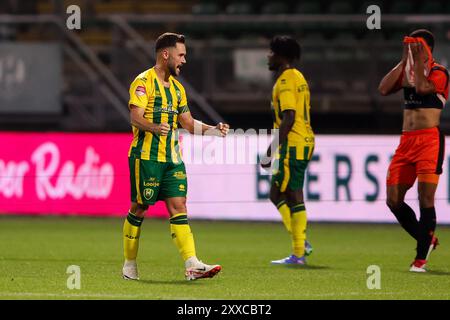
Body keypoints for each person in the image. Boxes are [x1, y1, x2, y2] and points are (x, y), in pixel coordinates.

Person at [122, 32, 230, 281]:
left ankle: (192, 264)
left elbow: (189, 124)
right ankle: (129, 264)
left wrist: (213, 129)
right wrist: (153, 127)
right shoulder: (143, 82)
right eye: (181, 55)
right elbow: (135, 116)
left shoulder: (178, 90)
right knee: (139, 208)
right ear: (165, 54)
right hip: (146, 158)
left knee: (179, 206)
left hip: (172, 159)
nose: (184, 60)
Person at [378, 29, 449, 272]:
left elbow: (421, 88)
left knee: (425, 198)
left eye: (415, 46)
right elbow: (384, 89)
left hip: (429, 141)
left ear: (427, 48)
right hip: (406, 141)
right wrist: (404, 58)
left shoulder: (440, 73)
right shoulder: (408, 71)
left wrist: (418, 61)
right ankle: (426, 237)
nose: (412, 50)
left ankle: (420, 259)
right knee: (393, 200)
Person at [261, 35, 315, 265]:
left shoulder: (285, 81)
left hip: (293, 144)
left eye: (272, 52)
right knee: (283, 193)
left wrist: (271, 150)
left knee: (289, 194)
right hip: (303, 141)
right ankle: (301, 242)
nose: (268, 56)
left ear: (281, 56)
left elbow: (289, 117)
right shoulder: (298, 77)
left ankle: (299, 250)